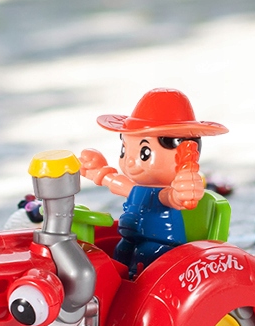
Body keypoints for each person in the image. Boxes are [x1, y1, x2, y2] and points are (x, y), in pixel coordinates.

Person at [78, 88, 226, 274]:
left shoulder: (164, 193)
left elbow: (172, 198)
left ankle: (134, 290)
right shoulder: (139, 188)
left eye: (144, 152)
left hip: (160, 244)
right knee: (120, 252)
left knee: (145, 258)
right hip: (131, 237)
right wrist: (97, 172)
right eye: (125, 149)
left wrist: (182, 193)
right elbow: (116, 182)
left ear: (180, 152)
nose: (130, 160)